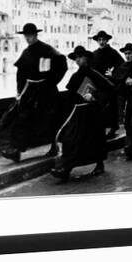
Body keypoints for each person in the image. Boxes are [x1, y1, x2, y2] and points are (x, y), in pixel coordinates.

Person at [0, 23, 68, 162]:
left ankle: (55, 146)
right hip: (30, 92)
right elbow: (21, 75)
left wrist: (51, 81)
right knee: (22, 117)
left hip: (47, 91)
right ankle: (16, 150)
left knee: (51, 118)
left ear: (36, 35)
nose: (28, 39)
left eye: (30, 36)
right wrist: (19, 92)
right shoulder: (26, 53)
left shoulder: (47, 50)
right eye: (26, 36)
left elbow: (62, 65)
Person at [51, 46, 114, 182]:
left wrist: (94, 95)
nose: (78, 60)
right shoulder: (75, 76)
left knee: (95, 140)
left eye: (80, 57)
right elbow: (70, 95)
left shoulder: (94, 74)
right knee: (72, 139)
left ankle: (99, 164)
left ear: (87, 58)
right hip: (78, 113)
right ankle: (66, 168)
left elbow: (109, 89)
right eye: (76, 58)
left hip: (93, 113)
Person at [91, 30, 124, 139]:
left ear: (107, 40)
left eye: (103, 40)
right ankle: (102, 129)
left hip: (110, 85)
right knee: (100, 108)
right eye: (99, 40)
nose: (101, 42)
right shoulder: (94, 54)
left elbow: (122, 66)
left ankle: (113, 128)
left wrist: (113, 73)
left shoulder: (113, 53)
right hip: (98, 86)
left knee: (111, 107)